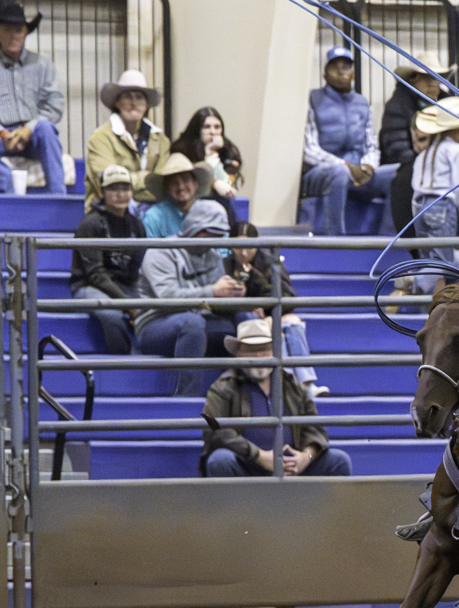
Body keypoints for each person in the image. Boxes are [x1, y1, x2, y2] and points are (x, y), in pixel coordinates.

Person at [201, 316, 352, 478]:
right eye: (251, 350)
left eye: (265, 348)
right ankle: (239, 505)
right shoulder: (224, 386)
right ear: (239, 354)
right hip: (247, 468)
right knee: (220, 460)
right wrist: (259, 456)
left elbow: (315, 427)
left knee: (339, 461)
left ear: (274, 350)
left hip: (292, 468)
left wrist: (305, 457)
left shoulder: (291, 383)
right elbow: (214, 429)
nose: (259, 355)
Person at [133, 197, 243, 394]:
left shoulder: (213, 256)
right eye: (213, 235)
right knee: (192, 324)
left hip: (199, 320)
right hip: (155, 325)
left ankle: (241, 396)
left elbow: (209, 305)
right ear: (198, 230)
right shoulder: (162, 252)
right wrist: (213, 292)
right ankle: (186, 400)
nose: (217, 241)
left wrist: (232, 296)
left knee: (243, 323)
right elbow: (167, 298)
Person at [0, 0, 70, 195]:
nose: (13, 35)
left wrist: (29, 129)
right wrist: (3, 133)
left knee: (46, 129)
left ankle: (58, 196)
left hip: (34, 134)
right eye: (7, 29)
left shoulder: (43, 65)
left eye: (18, 30)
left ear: (25, 33)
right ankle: (7, 188)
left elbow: (54, 105)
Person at [300, 44, 391, 235]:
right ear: (325, 72)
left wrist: (368, 166)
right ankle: (335, 240)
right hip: (322, 173)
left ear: (353, 73)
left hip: (360, 173)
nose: (341, 71)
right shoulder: (313, 99)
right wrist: (346, 166)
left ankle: (388, 237)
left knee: (399, 174)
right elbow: (309, 150)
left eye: (346, 66)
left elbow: (371, 144)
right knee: (339, 172)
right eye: (335, 66)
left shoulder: (362, 103)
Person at [225, 220, 316, 389]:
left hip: (274, 314)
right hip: (245, 318)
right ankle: (292, 386)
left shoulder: (270, 262)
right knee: (268, 326)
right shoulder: (225, 264)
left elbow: (288, 296)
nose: (243, 252)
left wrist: (269, 311)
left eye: (249, 247)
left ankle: (306, 384)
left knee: (291, 323)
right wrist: (252, 307)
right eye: (238, 246)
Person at [70, 164, 147, 354]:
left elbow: (136, 268)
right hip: (89, 285)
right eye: (113, 188)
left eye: (125, 188)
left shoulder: (136, 225)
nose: (120, 194)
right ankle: (122, 362)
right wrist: (127, 304)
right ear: (102, 191)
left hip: (126, 284)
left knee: (156, 309)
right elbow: (95, 274)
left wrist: (136, 299)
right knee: (111, 314)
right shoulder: (91, 223)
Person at [410, 96, 459, 289]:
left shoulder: (423, 155)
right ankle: (411, 282)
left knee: (431, 259)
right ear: (457, 129)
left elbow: (416, 189)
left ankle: (424, 298)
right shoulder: (457, 151)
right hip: (442, 207)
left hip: (420, 209)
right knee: (443, 261)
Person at [84, 68, 165, 208]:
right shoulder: (100, 138)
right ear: (117, 102)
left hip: (153, 209)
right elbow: (109, 185)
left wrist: (127, 180)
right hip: (108, 212)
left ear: (146, 105)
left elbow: (165, 185)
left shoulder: (160, 139)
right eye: (128, 96)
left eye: (139, 97)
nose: (134, 102)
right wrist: (148, 179)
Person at [380, 68, 446, 232]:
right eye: (427, 78)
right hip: (398, 165)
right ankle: (391, 237)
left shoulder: (447, 104)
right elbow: (397, 149)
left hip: (431, 166)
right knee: (403, 177)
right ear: (413, 80)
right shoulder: (397, 106)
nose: (433, 83)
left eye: (437, 79)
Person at [170, 106, 244, 200]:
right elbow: (186, 182)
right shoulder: (181, 148)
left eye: (217, 127)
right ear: (197, 129)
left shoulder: (229, 151)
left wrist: (213, 155)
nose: (213, 132)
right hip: (189, 199)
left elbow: (227, 184)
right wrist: (214, 183)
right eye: (207, 127)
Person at [142, 152, 204, 239]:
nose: (181, 187)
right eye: (174, 182)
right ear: (167, 188)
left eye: (185, 180)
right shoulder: (154, 216)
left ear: (195, 184)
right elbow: (150, 250)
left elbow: (222, 247)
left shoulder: (208, 212)